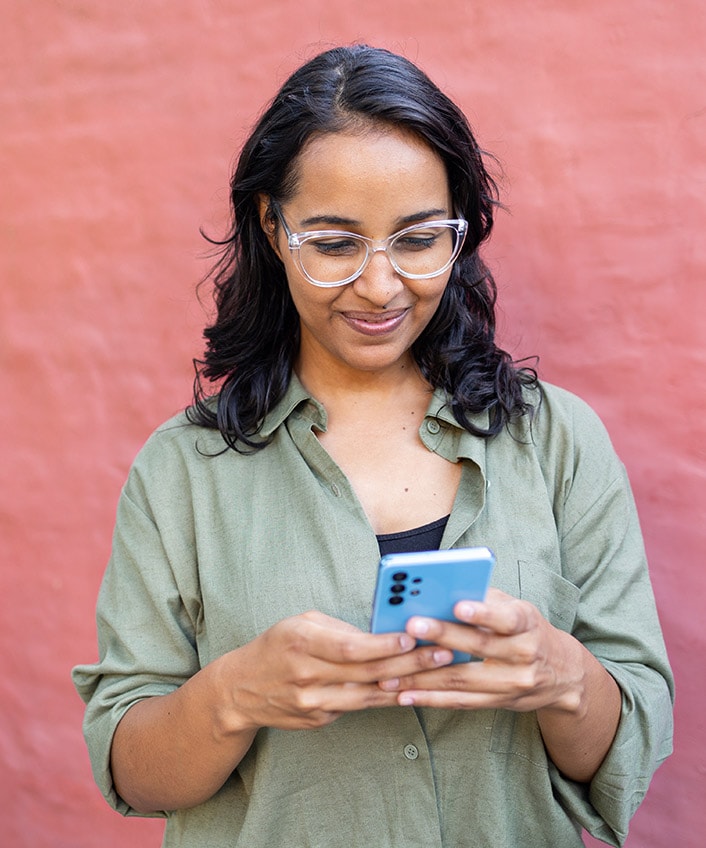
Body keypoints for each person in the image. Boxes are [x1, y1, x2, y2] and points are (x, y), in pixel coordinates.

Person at [72, 44, 673, 848]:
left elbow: (633, 731)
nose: (382, 287)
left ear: (461, 231)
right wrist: (234, 695)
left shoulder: (557, 440)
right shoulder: (182, 471)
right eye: (334, 244)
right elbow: (130, 765)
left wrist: (563, 678)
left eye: (419, 240)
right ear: (272, 228)